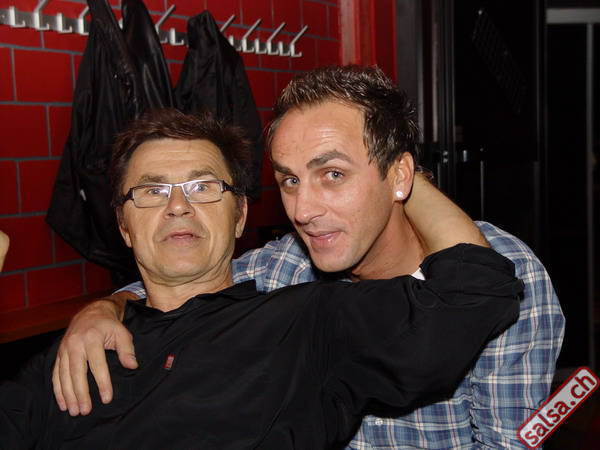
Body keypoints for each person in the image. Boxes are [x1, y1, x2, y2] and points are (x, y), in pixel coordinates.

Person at [53, 66, 565, 448]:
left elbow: (508, 444)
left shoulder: (505, 271)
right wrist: (103, 309)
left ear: (400, 175)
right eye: (290, 180)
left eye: (332, 175)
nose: (303, 210)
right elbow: (182, 281)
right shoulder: (287, 267)